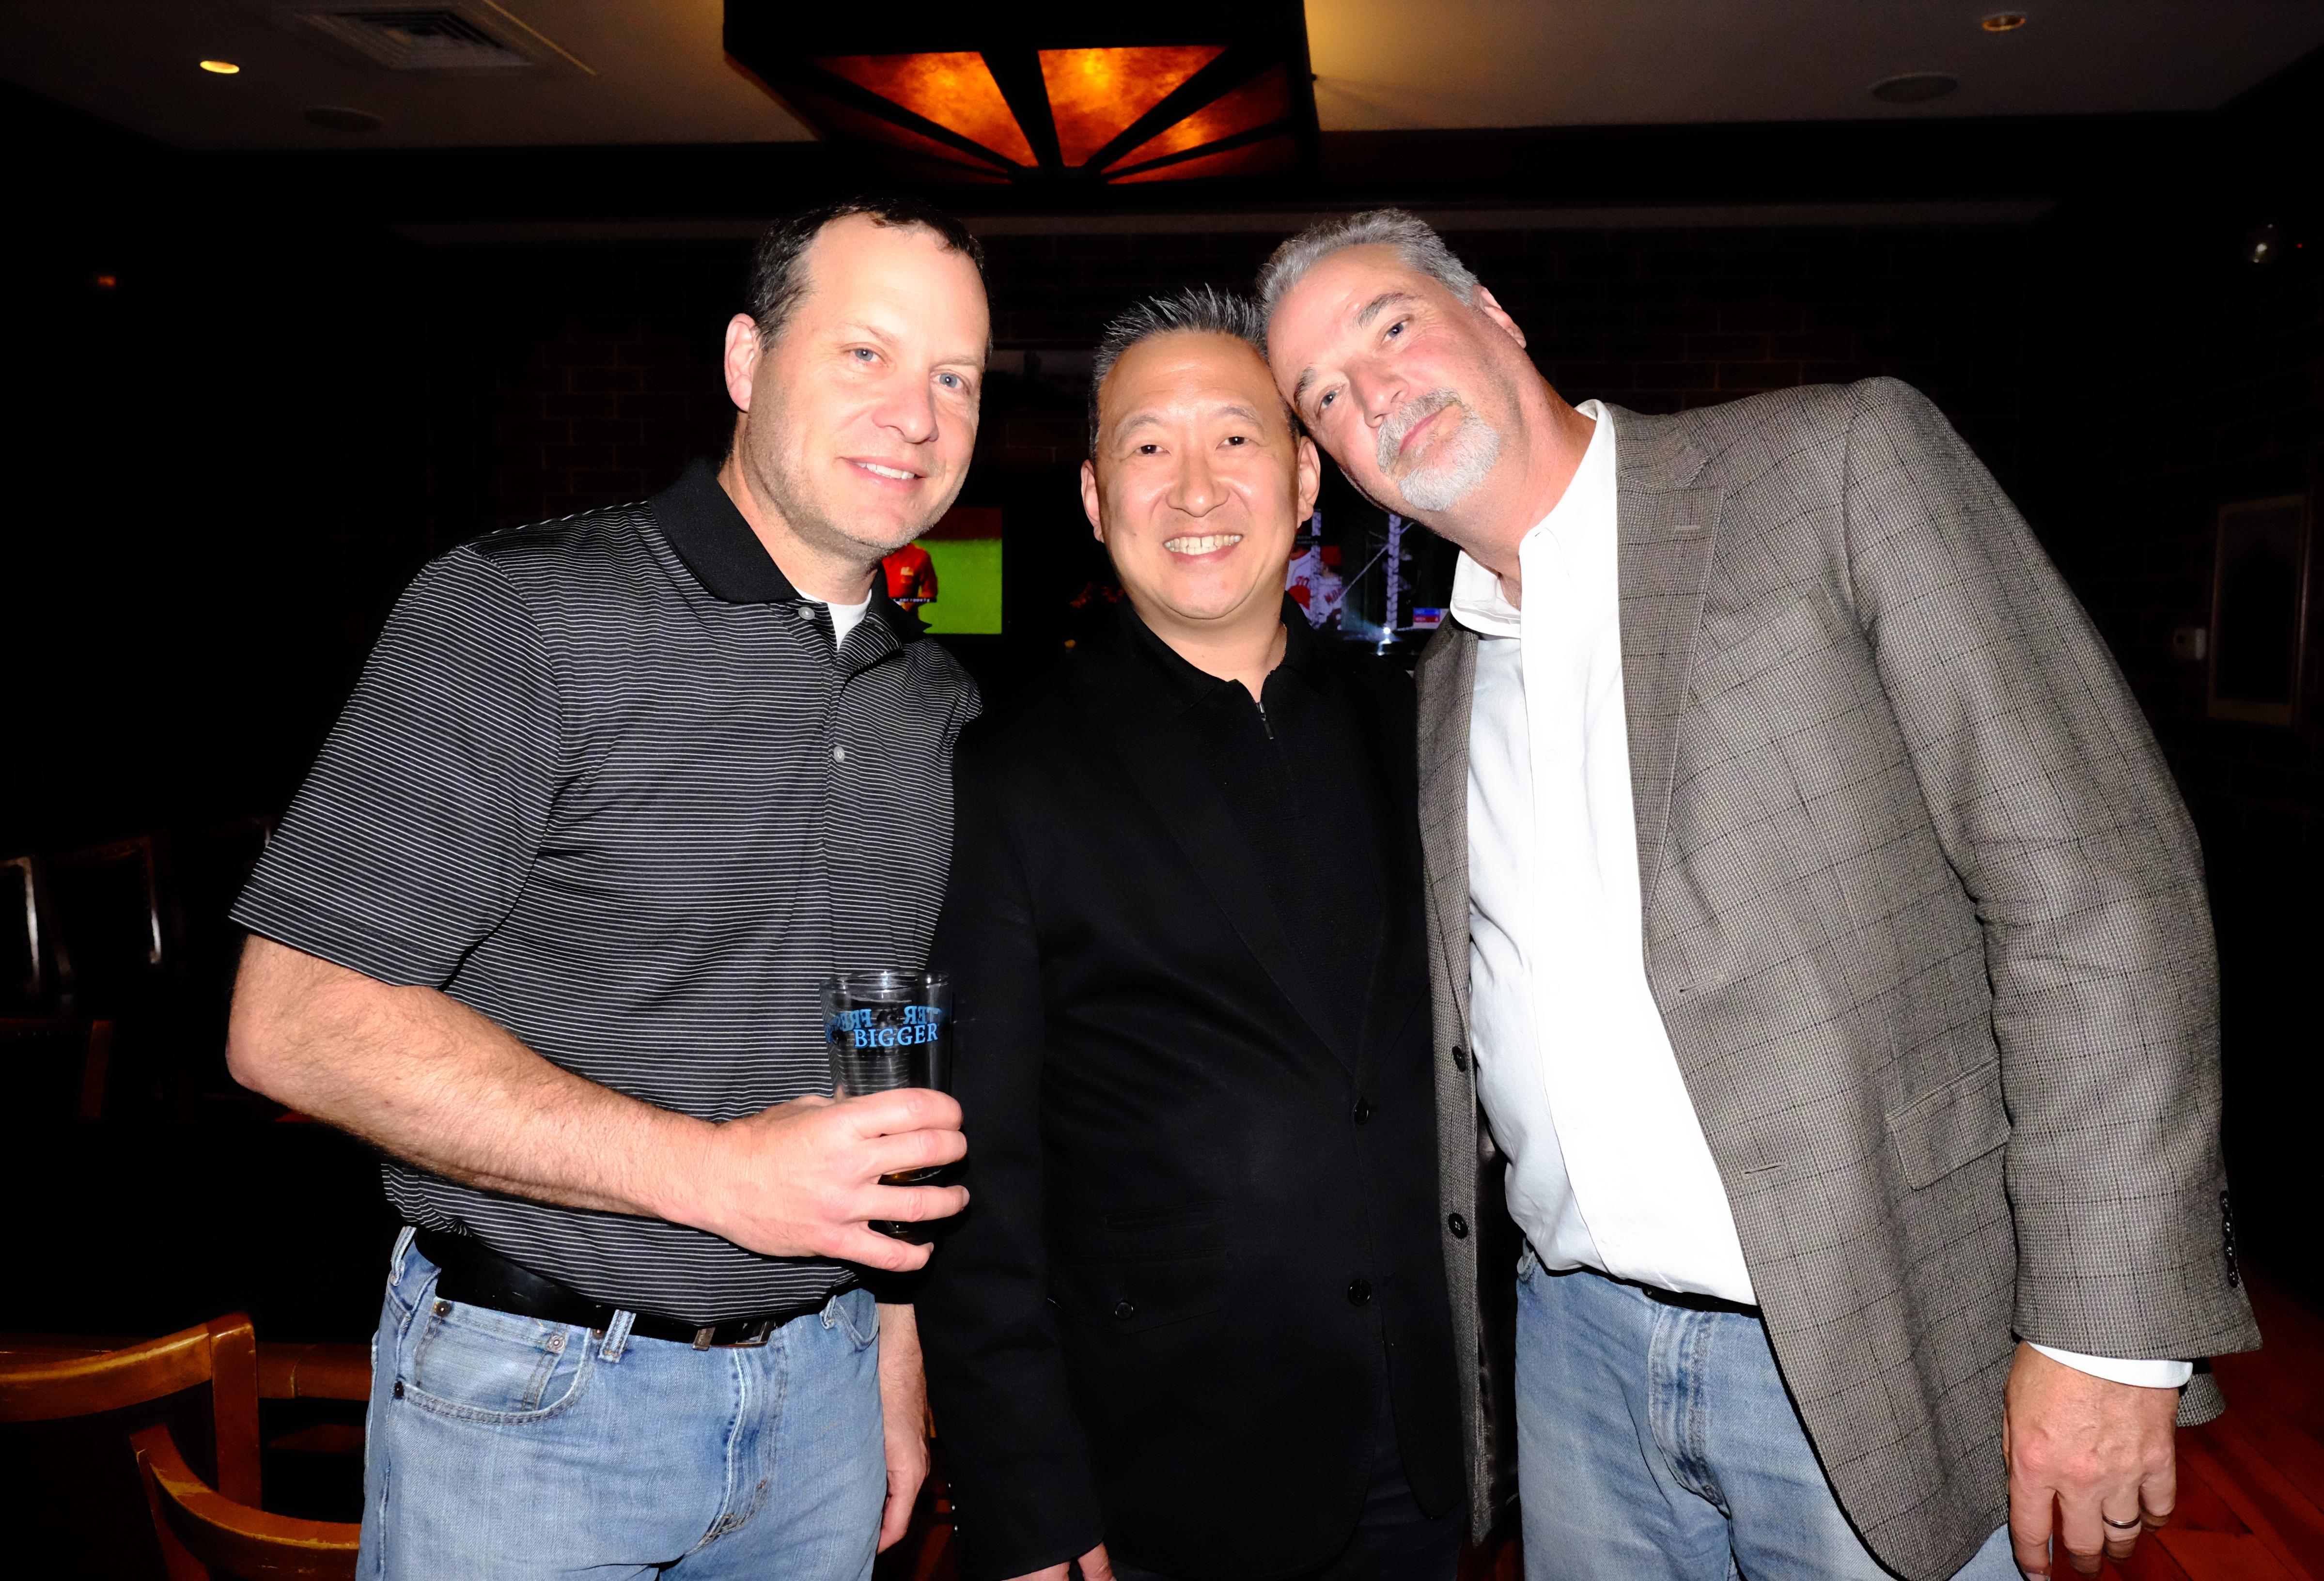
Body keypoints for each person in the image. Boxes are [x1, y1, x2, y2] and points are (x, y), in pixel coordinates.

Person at [1258, 210, 2262, 1581]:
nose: (1373, 391)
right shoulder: (1443, 687)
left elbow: (2097, 895)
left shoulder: (1832, 468)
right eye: (1324, 391)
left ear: (1492, 312)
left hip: (1878, 1347)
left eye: (1388, 327)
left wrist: (2102, 1329)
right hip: (1576, 1357)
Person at [224, 197, 992, 1581]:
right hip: (537, 1405)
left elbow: (880, 1069)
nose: (918, 415)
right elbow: (297, 1024)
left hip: (819, 1411)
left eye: (956, 378)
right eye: (867, 355)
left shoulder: (925, 698)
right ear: (748, 363)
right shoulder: (520, 612)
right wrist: (712, 1176)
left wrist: (889, 1336)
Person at [918, 288, 1465, 1581]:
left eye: (1235, 437)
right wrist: (1029, 1507)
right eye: (1149, 448)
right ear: (1100, 502)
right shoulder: (1009, 774)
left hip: (1429, 1458)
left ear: (1304, 477)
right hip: (1161, 1478)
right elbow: (977, 1176)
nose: (1196, 486)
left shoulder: (1427, 731)